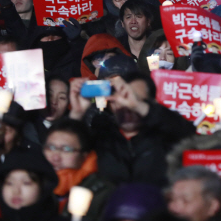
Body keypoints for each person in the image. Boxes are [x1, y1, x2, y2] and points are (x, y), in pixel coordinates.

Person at [68, 73, 196, 186]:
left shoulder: (166, 135)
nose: (127, 107)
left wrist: (139, 106)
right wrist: (76, 114)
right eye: (118, 100)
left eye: (135, 99)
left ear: (151, 103)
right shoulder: (99, 136)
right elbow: (66, 153)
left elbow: (190, 136)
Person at [42, 119, 113, 218]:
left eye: (66, 149)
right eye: (51, 148)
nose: (56, 157)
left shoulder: (102, 193)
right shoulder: (34, 183)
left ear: (84, 156)